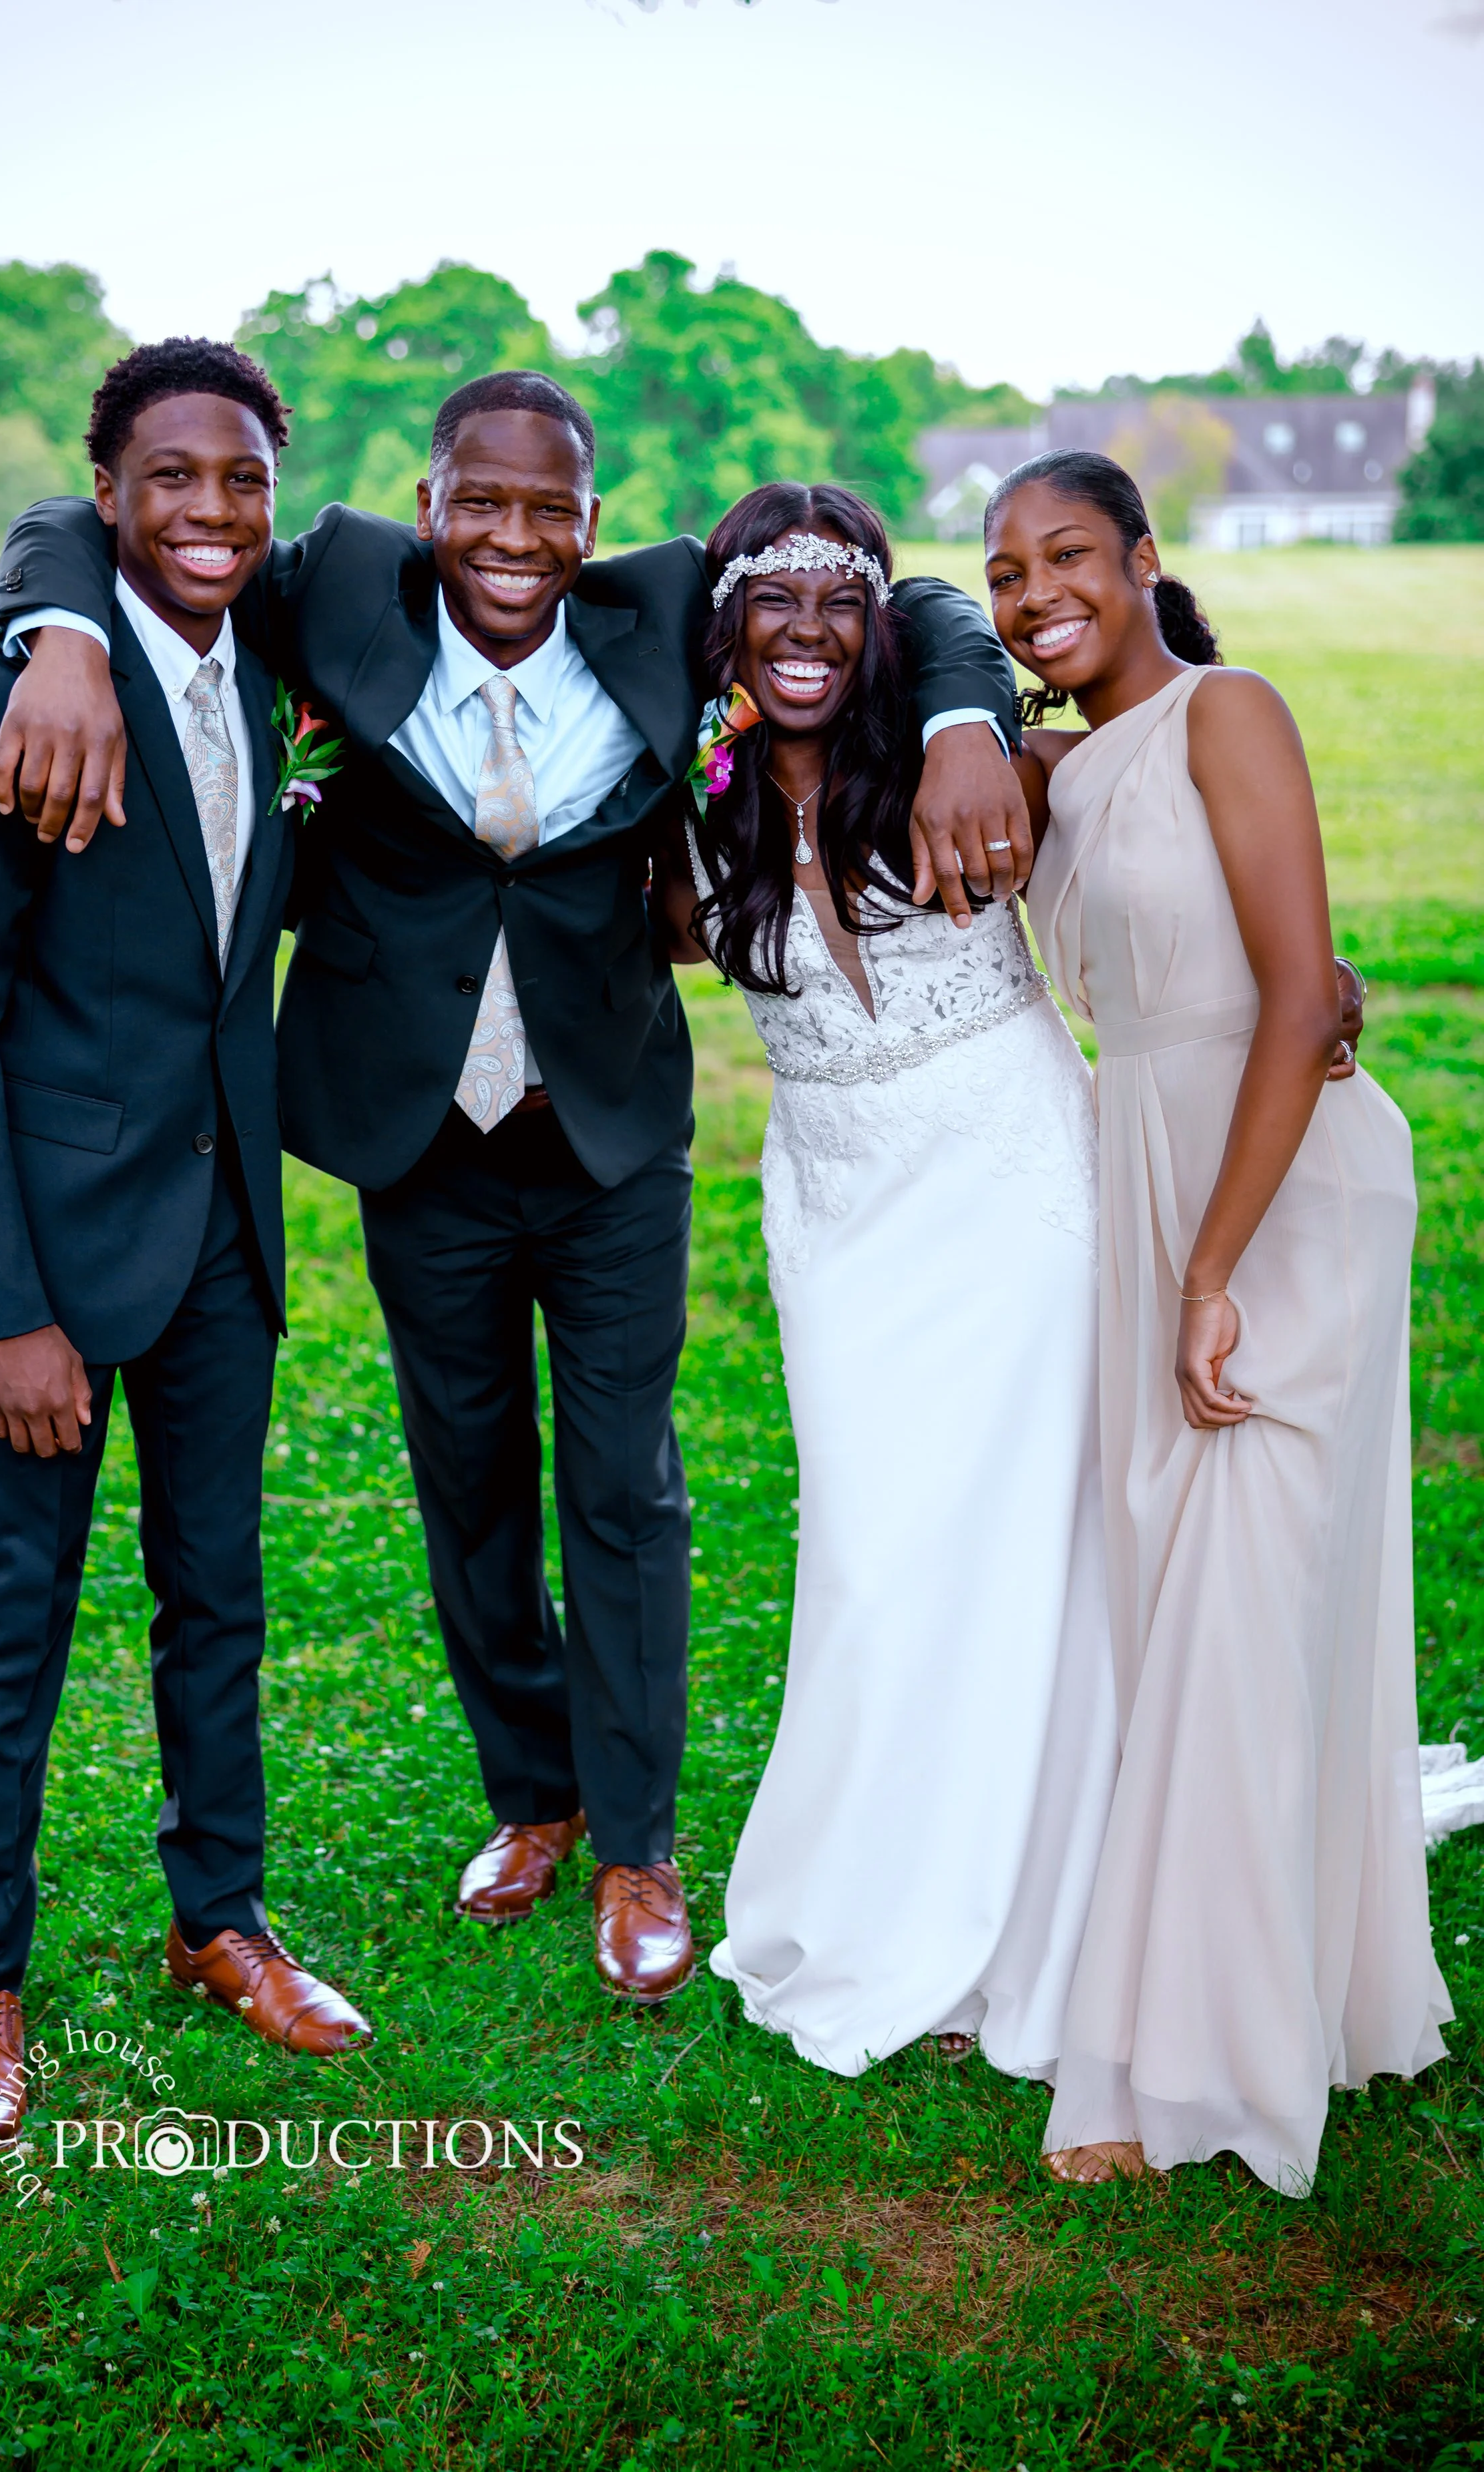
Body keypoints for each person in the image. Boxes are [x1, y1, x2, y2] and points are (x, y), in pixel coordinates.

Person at [0, 375, 1030, 2003]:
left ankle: (633, 1843)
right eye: (481, 504)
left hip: (607, 1135)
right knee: (466, 1482)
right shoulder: (326, 584)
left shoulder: (667, 609)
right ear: (427, 500)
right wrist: (49, 640)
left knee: (623, 1485)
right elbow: (82, 521)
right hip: (417, 1139)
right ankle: (527, 1802)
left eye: (550, 511)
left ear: (593, 520)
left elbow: (908, 601)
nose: (513, 539)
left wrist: (966, 721)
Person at [0, 340, 368, 2146]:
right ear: (106, 498)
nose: (212, 511)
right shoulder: (10, 700)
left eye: (241, 478)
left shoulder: (277, 687)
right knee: (18, 1616)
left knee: (218, 1594)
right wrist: (1, 1307)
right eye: (171, 478)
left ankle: (219, 1918)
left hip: (224, 1229)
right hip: (48, 1249)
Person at [990, 449, 1451, 2193]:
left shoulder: (1224, 710)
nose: (1039, 591)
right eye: (1004, 570)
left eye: (1069, 556)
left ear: (1140, 558)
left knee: (1239, 1612)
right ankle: (1292, 1995)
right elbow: (740, 739)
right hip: (1146, 1176)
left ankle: (1192, 2069)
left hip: (1278, 1188)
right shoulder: (1035, 762)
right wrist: (956, 706)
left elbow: (1291, 995)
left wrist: (1212, 1267)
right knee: (1178, 1596)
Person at [654, 483, 1120, 2077]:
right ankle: (887, 1887)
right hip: (839, 1204)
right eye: (767, 604)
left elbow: (1147, 797)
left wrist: (1294, 959)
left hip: (1007, 1171)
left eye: (836, 602)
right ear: (721, 627)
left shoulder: (949, 752)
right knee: (872, 1548)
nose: (802, 633)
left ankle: (1065, 1878)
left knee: (1040, 1528)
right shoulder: (690, 789)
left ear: (878, 622)